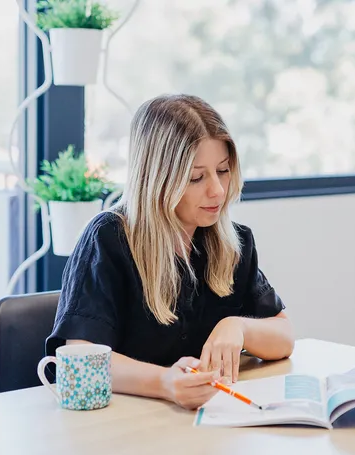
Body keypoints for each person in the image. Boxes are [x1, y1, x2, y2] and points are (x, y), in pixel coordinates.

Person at [46, 94, 294, 410]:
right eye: (196, 177)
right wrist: (165, 383)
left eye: (223, 170)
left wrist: (239, 327)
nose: (216, 190)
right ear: (157, 179)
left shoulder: (234, 243)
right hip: (124, 427)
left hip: (203, 426)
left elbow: (284, 335)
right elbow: (83, 357)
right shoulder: (108, 239)